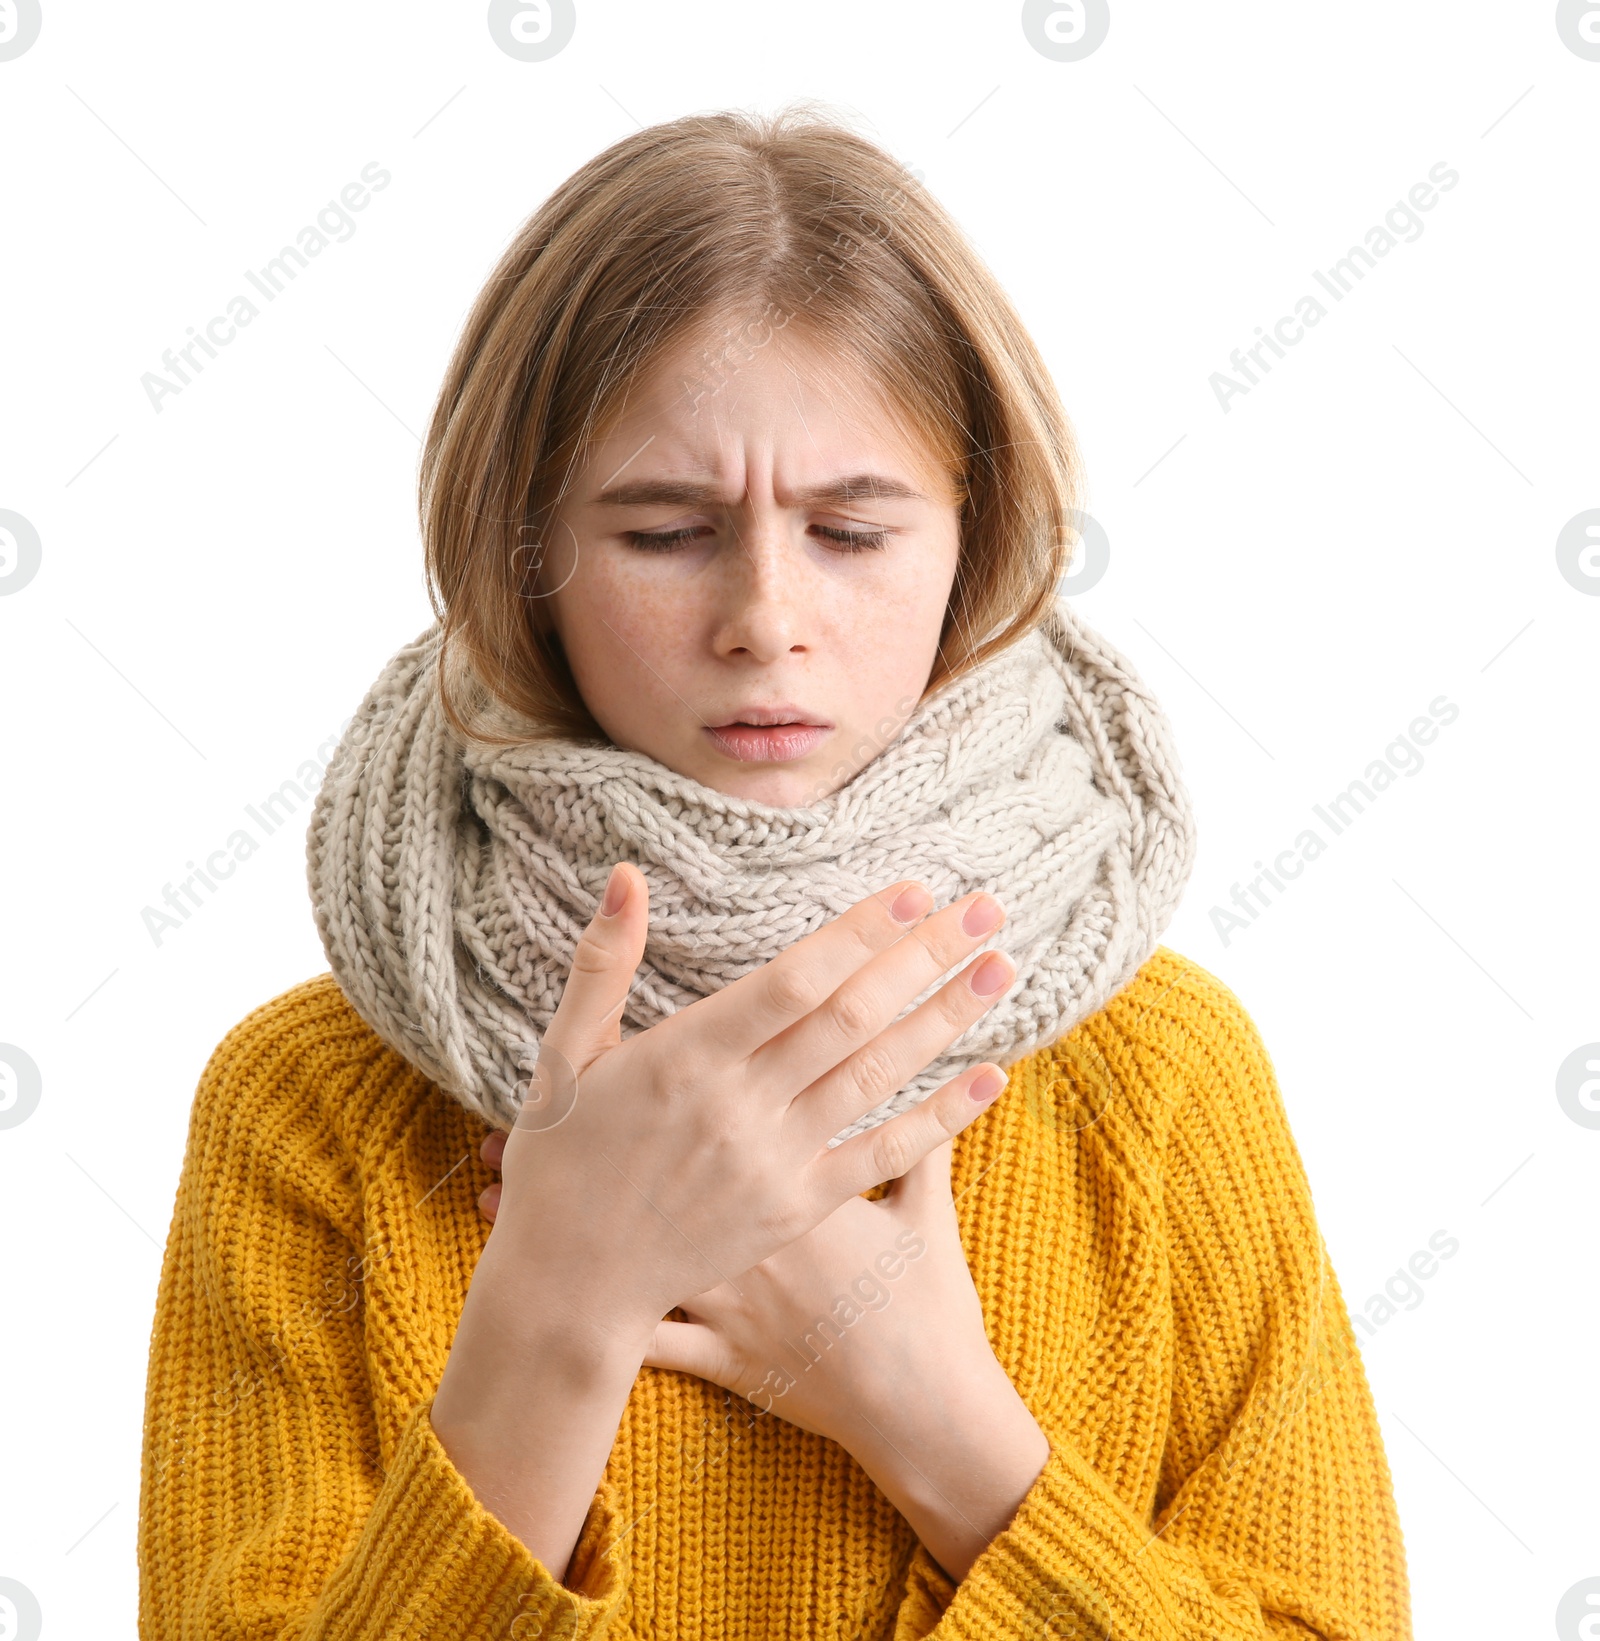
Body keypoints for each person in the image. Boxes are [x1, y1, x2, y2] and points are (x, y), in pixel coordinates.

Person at [136, 105, 1413, 1640]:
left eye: (853, 531)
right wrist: (557, 1306)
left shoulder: (1161, 1082)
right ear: (521, 554)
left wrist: (940, 1423)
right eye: (667, 532)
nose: (765, 616)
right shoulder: (310, 1110)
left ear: (974, 543)